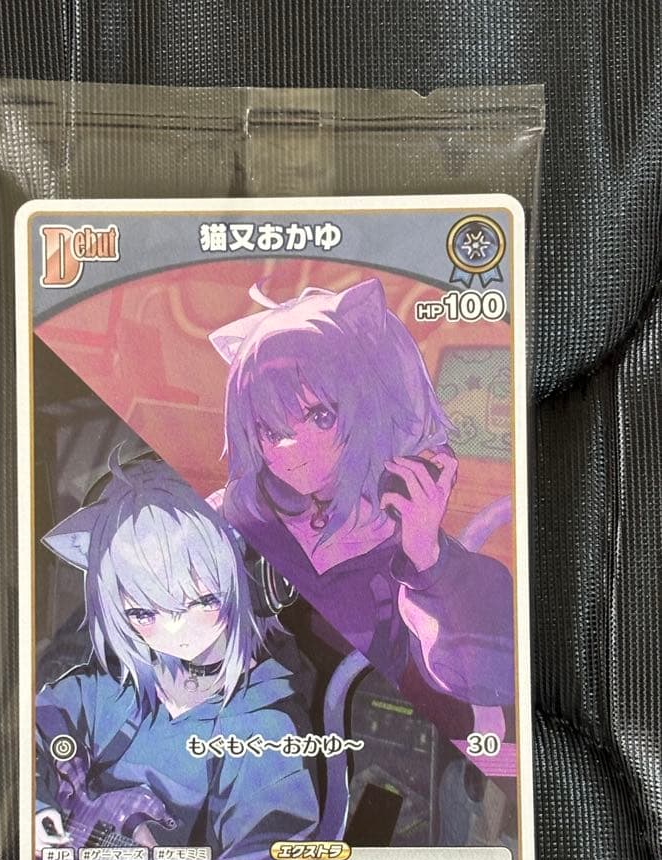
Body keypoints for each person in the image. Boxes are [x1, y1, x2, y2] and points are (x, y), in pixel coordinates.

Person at [210, 277, 515, 717]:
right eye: (271, 430)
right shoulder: (239, 517)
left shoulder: (407, 539)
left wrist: (427, 560)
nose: (290, 449)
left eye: (320, 416)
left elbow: (490, 679)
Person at [34, 446, 320, 860]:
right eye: (143, 613)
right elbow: (31, 732)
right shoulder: (114, 688)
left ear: (253, 580)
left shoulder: (265, 733)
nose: (173, 631)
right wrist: (39, 809)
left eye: (200, 601)